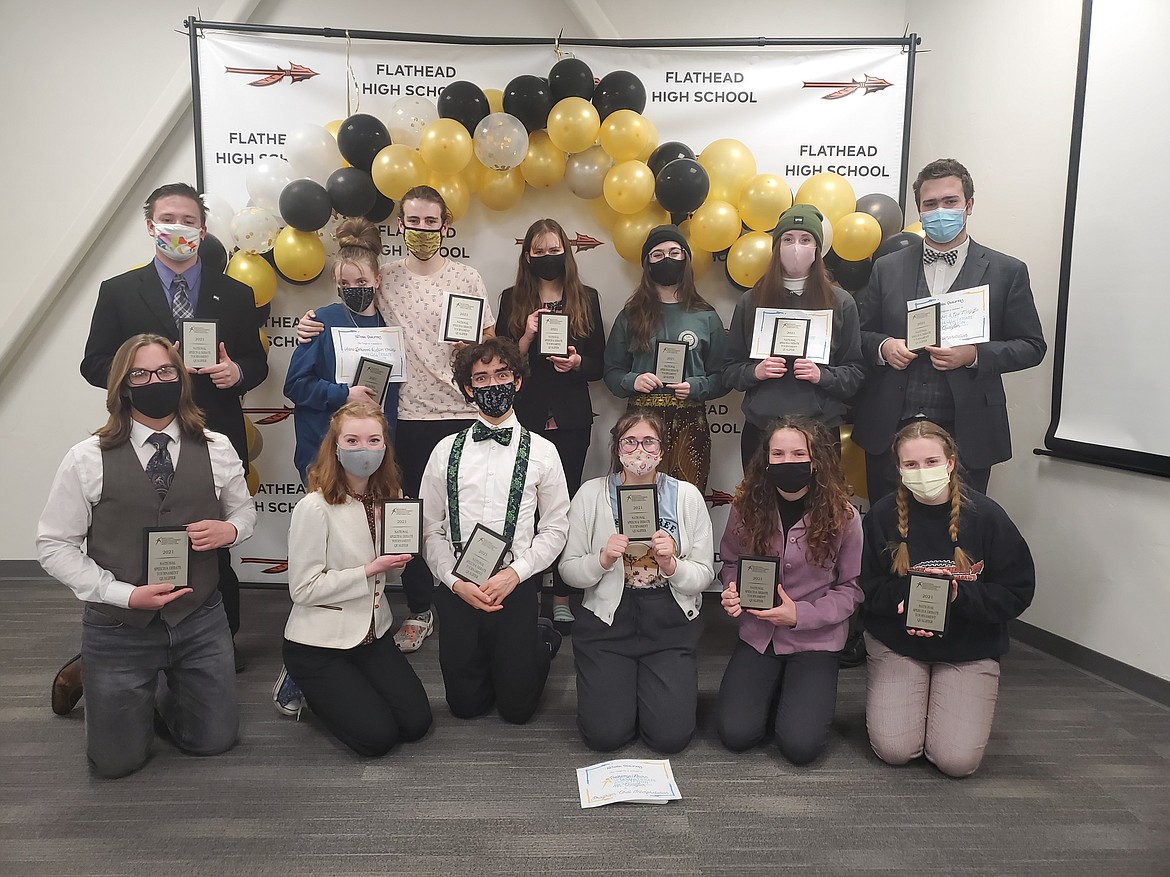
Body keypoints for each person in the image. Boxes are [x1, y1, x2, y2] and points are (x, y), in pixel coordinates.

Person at [36, 334, 255, 778]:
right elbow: (54, 545)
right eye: (140, 373)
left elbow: (244, 511)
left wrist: (231, 529)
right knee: (116, 763)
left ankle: (155, 693)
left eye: (165, 371)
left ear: (180, 379)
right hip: (119, 626)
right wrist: (120, 594)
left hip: (199, 617)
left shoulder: (218, 448)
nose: (155, 380)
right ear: (122, 386)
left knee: (214, 742)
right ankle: (100, 675)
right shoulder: (86, 458)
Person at [78, 182, 268, 674]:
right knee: (137, 535)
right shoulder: (119, 291)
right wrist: (142, 376)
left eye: (188, 220)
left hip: (213, 432)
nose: (178, 228)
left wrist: (238, 373)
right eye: (169, 219)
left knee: (213, 539)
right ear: (150, 226)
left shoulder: (238, 292)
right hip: (141, 433)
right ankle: (138, 636)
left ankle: (219, 640)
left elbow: (256, 360)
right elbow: (94, 363)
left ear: (202, 230)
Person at [297, 186, 495, 654]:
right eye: (413, 221)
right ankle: (423, 609)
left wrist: (473, 350)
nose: (422, 230)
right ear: (401, 225)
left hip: (464, 413)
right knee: (409, 516)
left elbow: (487, 340)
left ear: (445, 225)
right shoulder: (382, 279)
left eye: (431, 222)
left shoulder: (468, 278)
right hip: (406, 417)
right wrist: (309, 323)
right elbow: (349, 308)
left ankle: (473, 598)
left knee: (468, 514)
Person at [853, 158, 1046, 500]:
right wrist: (883, 347)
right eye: (930, 204)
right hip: (890, 428)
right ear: (919, 210)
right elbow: (860, 335)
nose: (940, 210)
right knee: (887, 535)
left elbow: (1032, 345)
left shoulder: (1007, 271)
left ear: (968, 205)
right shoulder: (887, 267)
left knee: (963, 538)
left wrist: (974, 355)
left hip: (967, 431)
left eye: (950, 202)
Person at [860, 420, 1035, 777]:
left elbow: (1017, 591)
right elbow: (863, 586)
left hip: (968, 646)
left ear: (951, 462)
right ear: (898, 469)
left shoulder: (987, 516)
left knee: (957, 762)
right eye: (910, 465)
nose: (922, 472)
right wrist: (904, 598)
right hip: (899, 643)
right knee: (895, 749)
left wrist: (960, 597)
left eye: (931, 462)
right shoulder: (881, 515)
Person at [419, 337, 568, 723]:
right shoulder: (443, 450)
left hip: (515, 586)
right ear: (468, 389)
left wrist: (514, 574)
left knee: (517, 710)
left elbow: (555, 529)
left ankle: (540, 639)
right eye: (480, 378)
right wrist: (453, 582)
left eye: (502, 375)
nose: (492, 385)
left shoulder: (543, 451)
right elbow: (429, 529)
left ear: (517, 381)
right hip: (458, 587)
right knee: (466, 707)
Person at [281, 401, 432, 755]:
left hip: (372, 633)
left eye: (373, 440)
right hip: (318, 643)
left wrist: (402, 550)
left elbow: (391, 573)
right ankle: (303, 684)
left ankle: (347, 687)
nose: (363, 449)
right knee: (376, 739)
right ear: (335, 447)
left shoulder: (390, 499)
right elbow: (303, 589)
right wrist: (370, 568)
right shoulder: (314, 507)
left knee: (415, 724)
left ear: (384, 446)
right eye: (352, 441)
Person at [559, 410, 714, 753]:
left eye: (648, 441)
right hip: (608, 623)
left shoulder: (686, 496)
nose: (638, 450)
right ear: (616, 449)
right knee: (605, 737)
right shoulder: (590, 494)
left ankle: (653, 691)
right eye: (629, 441)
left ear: (661, 450)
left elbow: (704, 574)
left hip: (668, 622)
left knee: (670, 739)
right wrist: (601, 560)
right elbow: (568, 570)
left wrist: (672, 566)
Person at [715, 416, 863, 765]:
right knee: (736, 735)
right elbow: (731, 562)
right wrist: (731, 590)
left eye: (799, 454)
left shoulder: (844, 516)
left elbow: (852, 588)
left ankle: (792, 690)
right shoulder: (745, 507)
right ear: (765, 459)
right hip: (759, 634)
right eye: (778, 454)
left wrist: (801, 614)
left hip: (815, 639)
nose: (788, 462)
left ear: (816, 461)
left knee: (801, 748)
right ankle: (777, 688)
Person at [495, 218, 606, 629]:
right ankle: (528, 588)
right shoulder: (511, 298)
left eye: (553, 249)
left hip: (573, 419)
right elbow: (503, 364)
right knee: (525, 509)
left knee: (565, 508)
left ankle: (562, 593)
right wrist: (524, 338)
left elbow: (601, 364)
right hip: (525, 417)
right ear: (527, 256)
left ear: (567, 252)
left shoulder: (587, 298)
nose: (547, 257)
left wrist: (578, 363)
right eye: (538, 251)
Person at [722, 205, 865, 467]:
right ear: (776, 247)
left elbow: (854, 374)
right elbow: (730, 370)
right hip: (762, 430)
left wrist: (823, 375)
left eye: (805, 239)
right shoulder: (751, 301)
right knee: (760, 507)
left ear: (817, 249)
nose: (796, 247)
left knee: (821, 508)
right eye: (787, 239)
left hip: (820, 431)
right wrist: (756, 371)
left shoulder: (841, 302)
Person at [603, 225, 727, 494]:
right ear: (647, 263)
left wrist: (696, 387)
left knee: (685, 502)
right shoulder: (631, 315)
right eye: (657, 255)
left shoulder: (706, 316)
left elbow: (723, 376)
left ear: (686, 259)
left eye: (674, 252)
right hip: (639, 424)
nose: (666, 259)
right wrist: (632, 380)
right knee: (636, 501)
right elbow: (611, 371)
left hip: (689, 422)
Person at [284, 218, 401, 485]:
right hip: (324, 453)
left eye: (361, 281)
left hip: (378, 455)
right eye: (345, 283)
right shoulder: (320, 322)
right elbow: (296, 386)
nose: (353, 289)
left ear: (377, 280)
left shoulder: (392, 324)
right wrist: (344, 394)